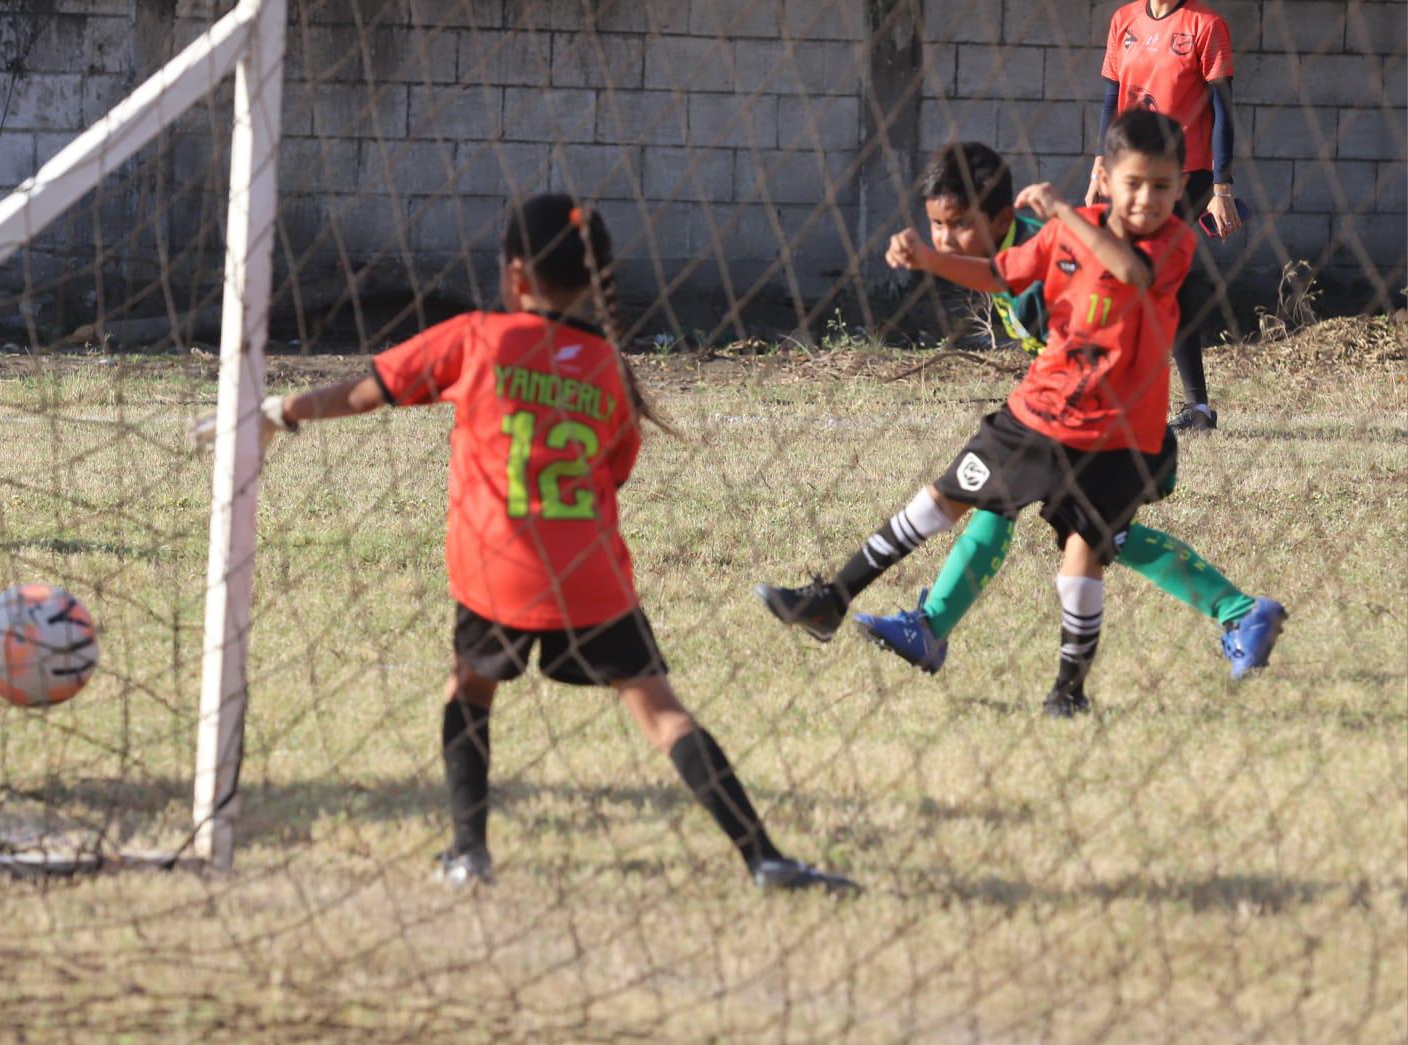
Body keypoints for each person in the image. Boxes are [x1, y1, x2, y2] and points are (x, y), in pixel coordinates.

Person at [195, 194, 857, 894]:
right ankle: (763, 857)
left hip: (497, 568)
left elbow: (370, 390)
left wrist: (279, 412)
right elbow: (616, 470)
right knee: (661, 711)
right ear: (596, 277)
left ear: (513, 275)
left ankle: (468, 853)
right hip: (591, 576)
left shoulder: (477, 338)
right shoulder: (607, 366)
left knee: (469, 687)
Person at [758, 111, 1252, 717]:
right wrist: (927, 261)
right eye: (1132, 184)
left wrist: (1066, 213)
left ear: (1181, 189)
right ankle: (851, 604)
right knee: (953, 498)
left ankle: (1087, 678)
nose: (944, 237)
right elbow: (995, 273)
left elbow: (1129, 273)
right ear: (1107, 178)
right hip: (1040, 415)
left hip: (1114, 433)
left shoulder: (1149, 239)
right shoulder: (1053, 238)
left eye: (957, 226)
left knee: (1091, 550)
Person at [1088, 0, 1242, 433]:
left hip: (1184, 176)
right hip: (1132, 172)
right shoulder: (1124, 20)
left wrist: (1221, 188)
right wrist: (1102, 164)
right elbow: (1109, 100)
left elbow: (1224, 111)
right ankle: (1195, 409)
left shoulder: (1207, 25)